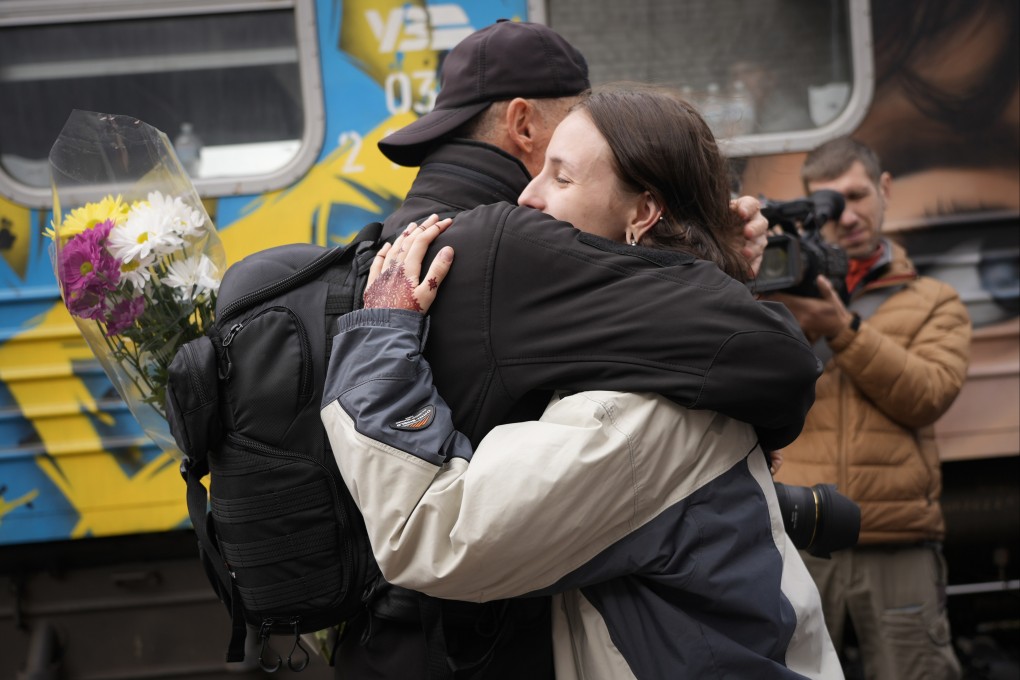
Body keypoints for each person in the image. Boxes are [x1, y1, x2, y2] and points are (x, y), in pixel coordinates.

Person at [333, 20, 823, 680]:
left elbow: (429, 532)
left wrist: (379, 334)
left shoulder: (635, 417)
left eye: (559, 178)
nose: (527, 195)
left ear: (643, 213)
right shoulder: (663, 353)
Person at [766, 137, 970, 680]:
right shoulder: (775, 302)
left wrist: (842, 330)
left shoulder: (934, 300)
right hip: (800, 534)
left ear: (884, 190)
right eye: (831, 203)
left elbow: (927, 395)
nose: (848, 216)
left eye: (858, 196)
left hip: (897, 540)